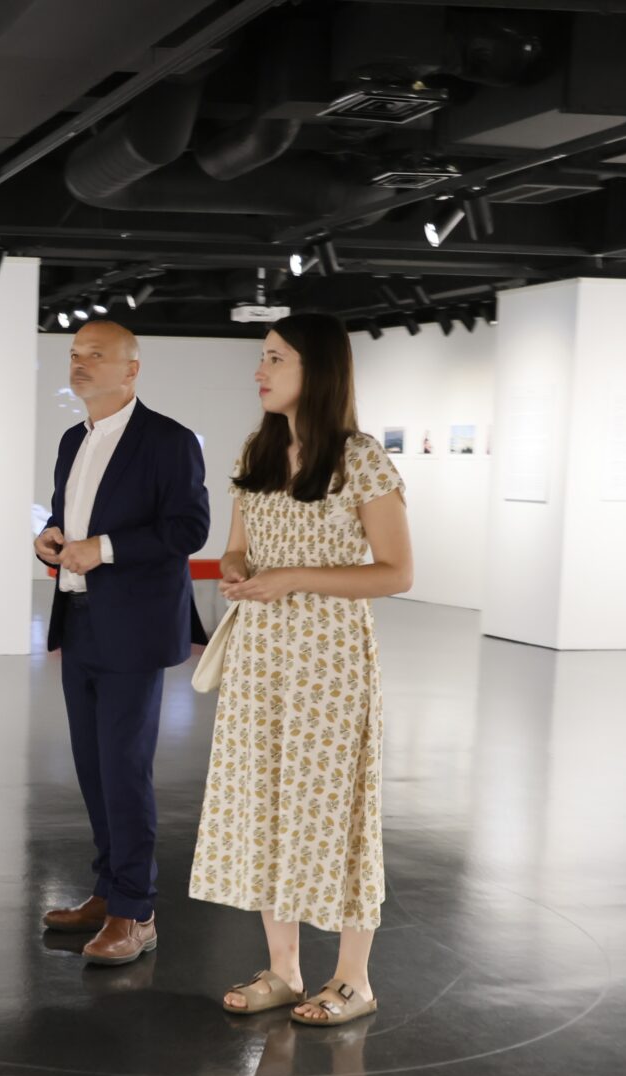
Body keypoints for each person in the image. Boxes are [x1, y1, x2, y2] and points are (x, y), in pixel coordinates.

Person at [188, 314, 413, 1026]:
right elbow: (236, 547)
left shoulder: (361, 460)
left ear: (317, 371)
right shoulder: (258, 450)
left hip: (330, 661)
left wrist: (294, 578)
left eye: (276, 359)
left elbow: (396, 572)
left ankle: (354, 979)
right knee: (265, 803)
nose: (260, 371)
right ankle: (284, 970)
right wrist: (236, 569)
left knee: (337, 810)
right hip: (261, 655)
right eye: (263, 358)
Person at [35, 321, 209, 965]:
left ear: (131, 369)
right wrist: (51, 538)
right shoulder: (71, 440)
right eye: (74, 354)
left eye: (95, 355)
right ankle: (109, 891)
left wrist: (102, 549)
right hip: (80, 622)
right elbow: (69, 519)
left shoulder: (168, 441)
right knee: (92, 767)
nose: (79, 364)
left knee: (124, 769)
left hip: (133, 630)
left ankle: (137, 912)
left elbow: (189, 527)